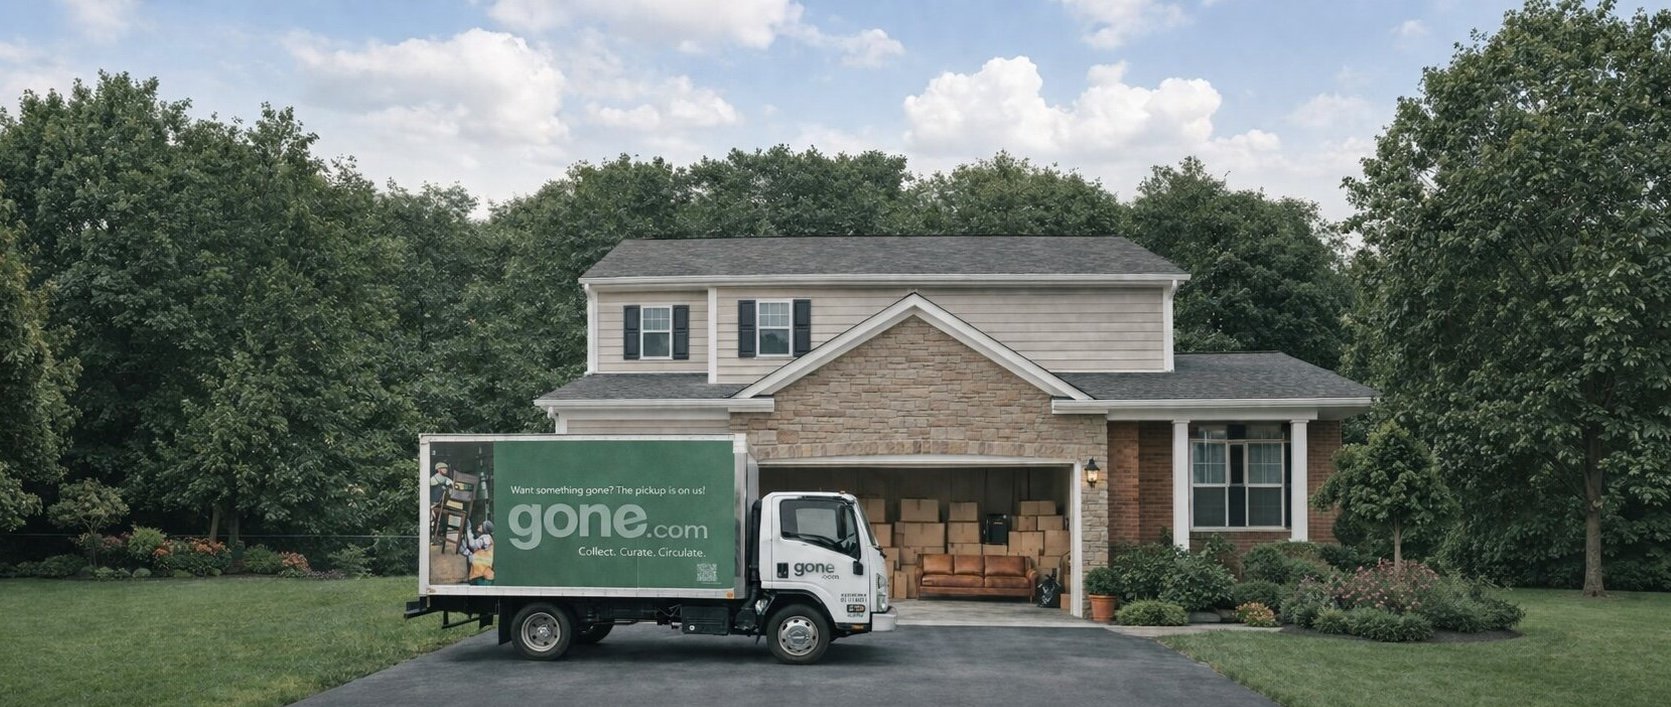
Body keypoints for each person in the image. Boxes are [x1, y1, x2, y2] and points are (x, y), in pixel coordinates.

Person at [463, 520, 494, 585]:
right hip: (480, 572)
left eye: (481, 525)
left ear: (484, 529)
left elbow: (472, 544)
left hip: (483, 574)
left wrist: (468, 529)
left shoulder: (486, 539)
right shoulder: (485, 538)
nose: (479, 525)